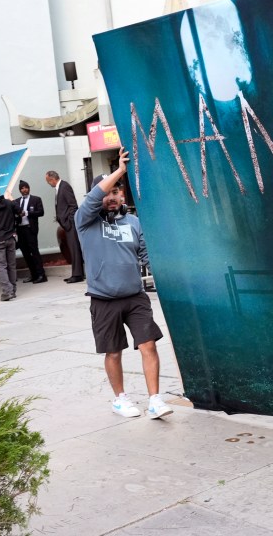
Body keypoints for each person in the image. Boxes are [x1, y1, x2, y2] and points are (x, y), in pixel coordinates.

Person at [74, 147, 172, 420]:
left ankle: (154, 399)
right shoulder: (85, 221)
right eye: (107, 192)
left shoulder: (134, 222)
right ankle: (120, 399)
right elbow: (94, 198)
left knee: (148, 344)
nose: (112, 197)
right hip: (103, 299)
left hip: (134, 296)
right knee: (113, 352)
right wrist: (119, 170)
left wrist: (169, 279)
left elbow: (147, 255)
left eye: (116, 191)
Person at [45, 170, 84, 283]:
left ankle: (78, 275)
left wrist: (69, 221)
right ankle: (76, 273)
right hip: (66, 225)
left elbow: (73, 206)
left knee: (75, 249)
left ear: (52, 179)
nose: (49, 184)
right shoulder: (59, 187)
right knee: (72, 250)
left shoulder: (64, 186)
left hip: (70, 225)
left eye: (48, 181)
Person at [16, 180, 47, 284]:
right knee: (25, 253)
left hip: (30, 229)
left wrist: (27, 213)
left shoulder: (36, 199)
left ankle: (41, 275)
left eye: (26, 187)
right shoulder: (16, 201)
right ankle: (33, 274)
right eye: (22, 188)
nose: (24, 190)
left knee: (34, 252)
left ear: (29, 188)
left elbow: (41, 212)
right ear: (20, 190)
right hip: (20, 230)